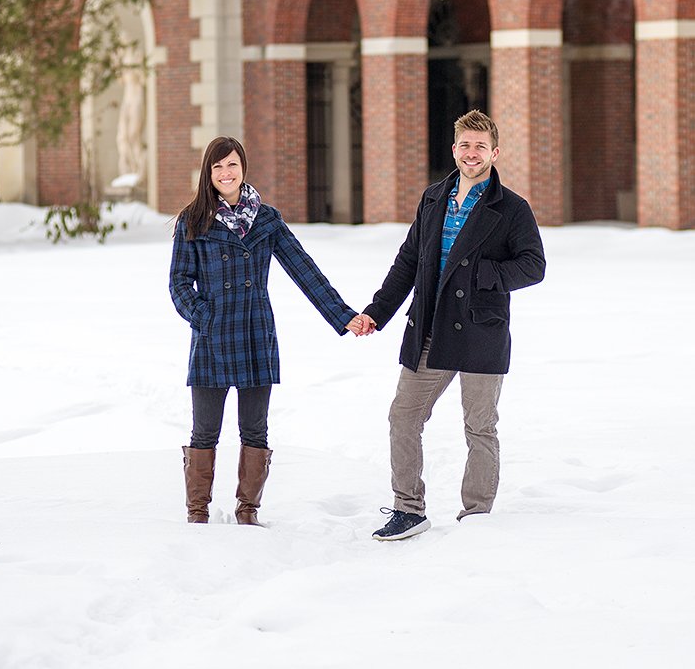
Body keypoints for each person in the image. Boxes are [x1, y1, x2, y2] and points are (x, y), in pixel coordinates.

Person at [348, 110, 546, 541]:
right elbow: (407, 262)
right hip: (431, 327)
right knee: (403, 416)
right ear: (453, 149)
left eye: (480, 146)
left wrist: (483, 275)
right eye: (464, 145)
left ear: (494, 152)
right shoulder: (434, 197)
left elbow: (533, 266)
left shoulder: (511, 208)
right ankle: (408, 509)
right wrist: (376, 312)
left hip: (481, 329)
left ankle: (476, 514)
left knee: (479, 425)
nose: (471, 153)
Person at [171, 136, 366, 526]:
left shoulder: (266, 218)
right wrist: (203, 318)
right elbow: (179, 283)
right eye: (218, 167)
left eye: (232, 165)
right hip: (211, 338)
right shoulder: (192, 220)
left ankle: (248, 511)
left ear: (243, 168)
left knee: (254, 429)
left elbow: (303, 269)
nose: (226, 173)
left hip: (255, 334)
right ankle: (197, 513)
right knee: (204, 430)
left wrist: (343, 315)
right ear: (208, 173)